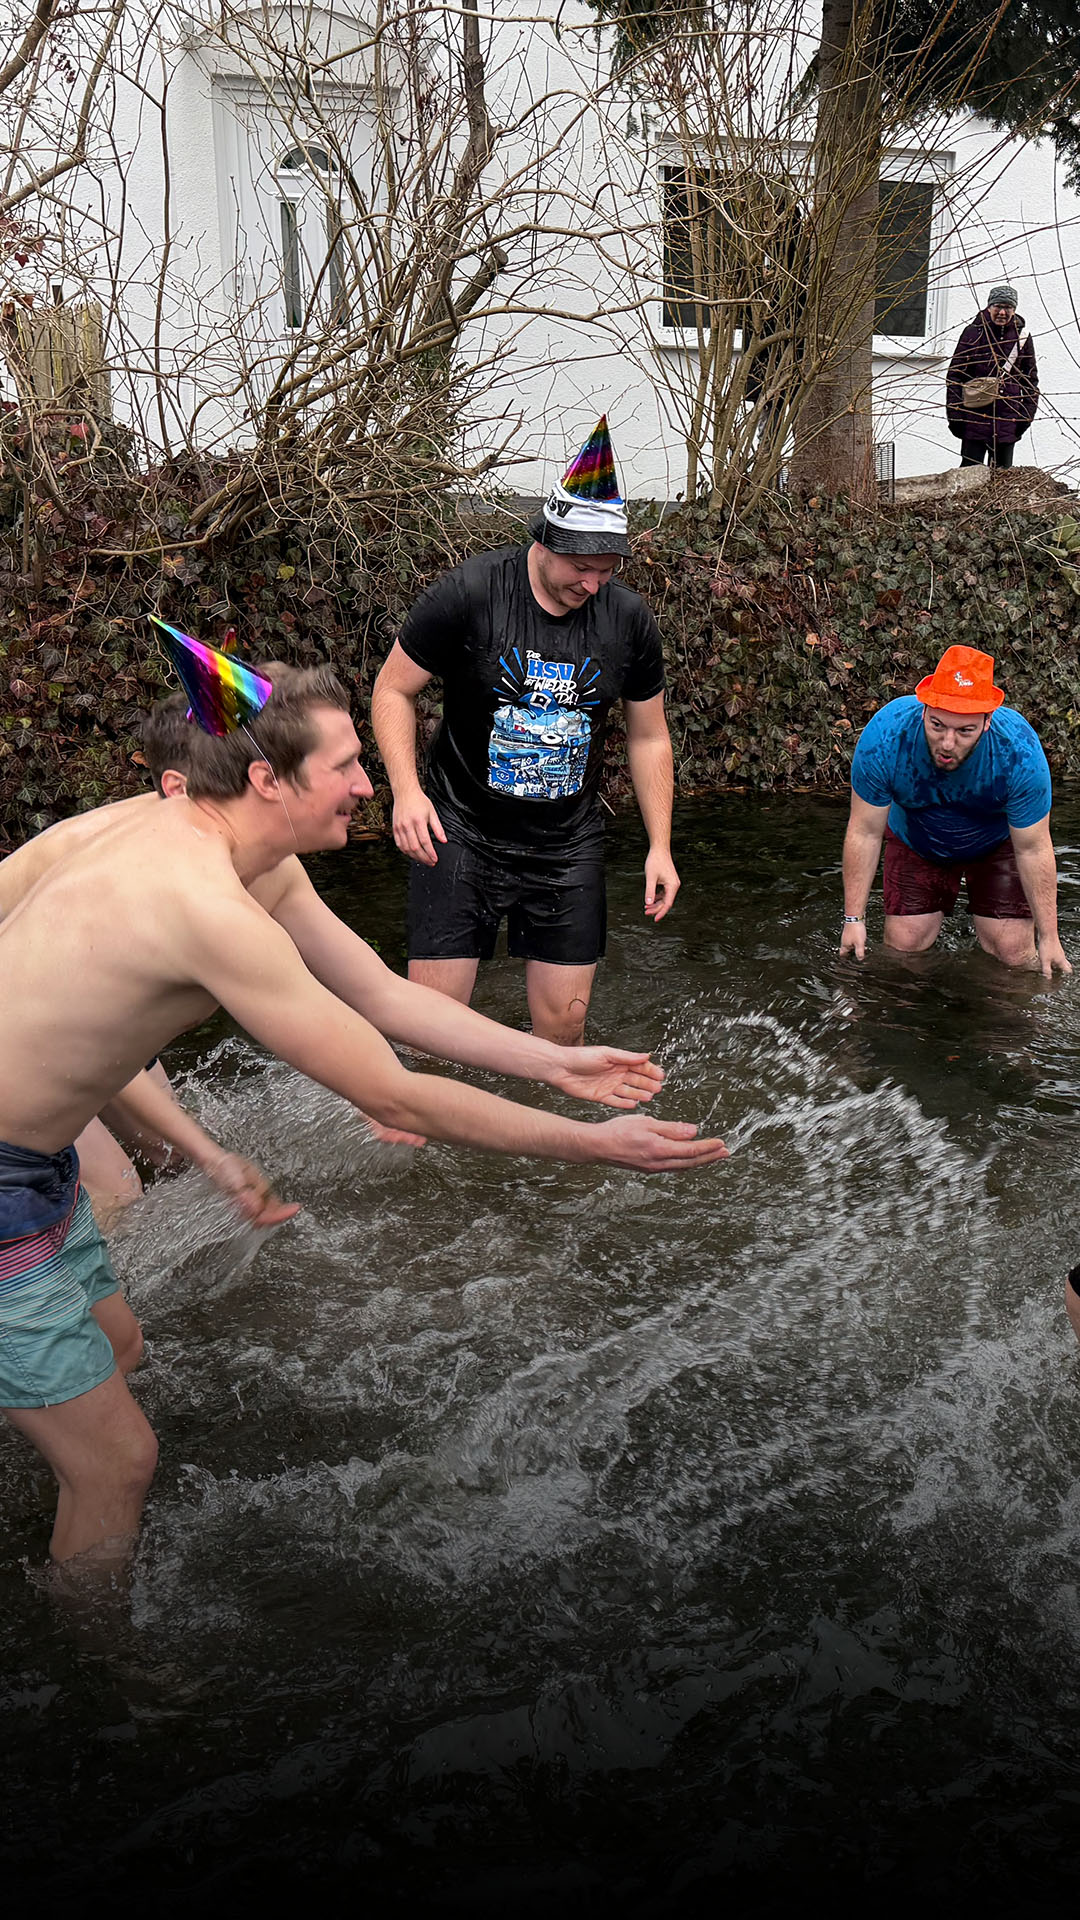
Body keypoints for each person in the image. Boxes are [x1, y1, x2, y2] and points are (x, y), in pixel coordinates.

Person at [0, 640, 726, 1577]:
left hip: (36, 1160)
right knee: (118, 1467)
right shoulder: (205, 906)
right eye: (346, 766)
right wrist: (594, 1144)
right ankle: (102, 1695)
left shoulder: (193, 837)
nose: (367, 786)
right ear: (268, 778)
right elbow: (390, 1091)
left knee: (122, 1346)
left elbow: (382, 997)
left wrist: (553, 1061)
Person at [370, 414, 680, 1046]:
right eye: (582, 568)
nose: (593, 584)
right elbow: (393, 689)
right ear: (545, 540)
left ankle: (542, 1140)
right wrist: (406, 791)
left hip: (566, 844)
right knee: (431, 1031)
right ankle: (433, 1134)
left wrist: (660, 846)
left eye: (608, 569)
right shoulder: (472, 593)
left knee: (565, 1031)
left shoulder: (626, 620)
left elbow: (650, 736)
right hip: (457, 828)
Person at [0, 799, 297, 1234]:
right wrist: (212, 1156)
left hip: (62, 1006)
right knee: (118, 1194)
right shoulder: (116, 873)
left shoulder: (193, 831)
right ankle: (81, 1290)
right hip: (26, 1038)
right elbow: (95, 1056)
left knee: (169, 1153)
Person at [839, 645, 1071, 979]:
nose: (948, 742)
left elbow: (1033, 847)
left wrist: (1050, 938)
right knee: (904, 948)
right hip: (917, 839)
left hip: (995, 843)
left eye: (965, 731)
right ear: (924, 710)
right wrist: (853, 920)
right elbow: (865, 831)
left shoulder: (1019, 752)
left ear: (988, 721)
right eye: (937, 725)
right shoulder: (886, 737)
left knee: (1014, 954)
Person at [946, 283, 1038, 470]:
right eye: (998, 306)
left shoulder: (1022, 337)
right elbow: (955, 376)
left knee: (1001, 480)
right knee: (969, 477)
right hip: (973, 419)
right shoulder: (973, 333)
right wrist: (955, 416)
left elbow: (1030, 382)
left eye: (1008, 307)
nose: (1002, 312)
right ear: (989, 307)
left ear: (1014, 309)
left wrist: (1024, 418)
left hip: (1007, 420)